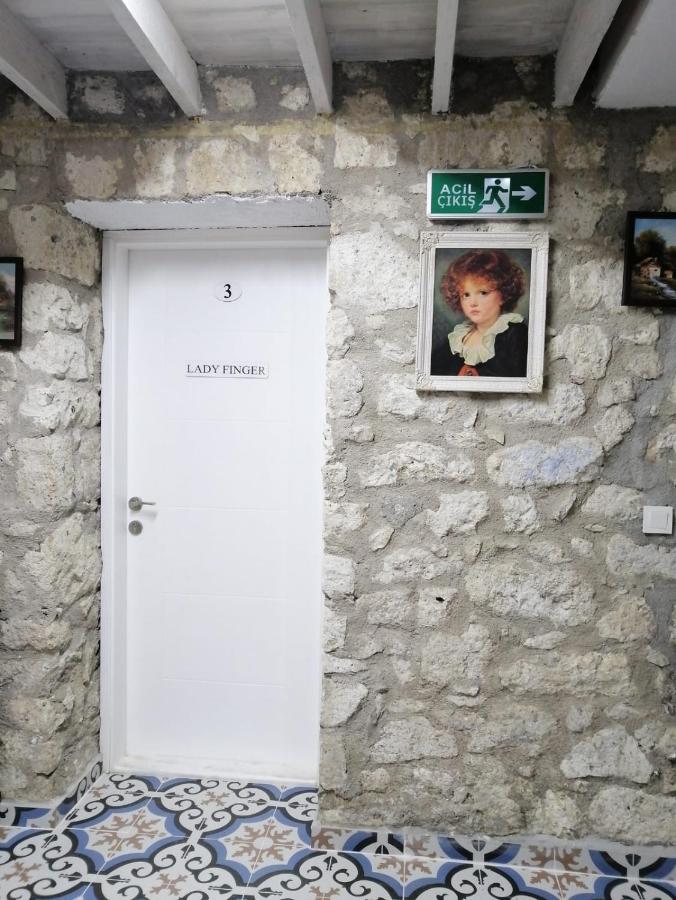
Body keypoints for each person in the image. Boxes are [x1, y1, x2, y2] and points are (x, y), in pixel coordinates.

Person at [431, 249, 529, 378]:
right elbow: (434, 372)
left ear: (503, 295)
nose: (473, 303)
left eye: (483, 293)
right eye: (466, 295)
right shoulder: (459, 337)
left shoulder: (515, 333)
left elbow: (518, 376)